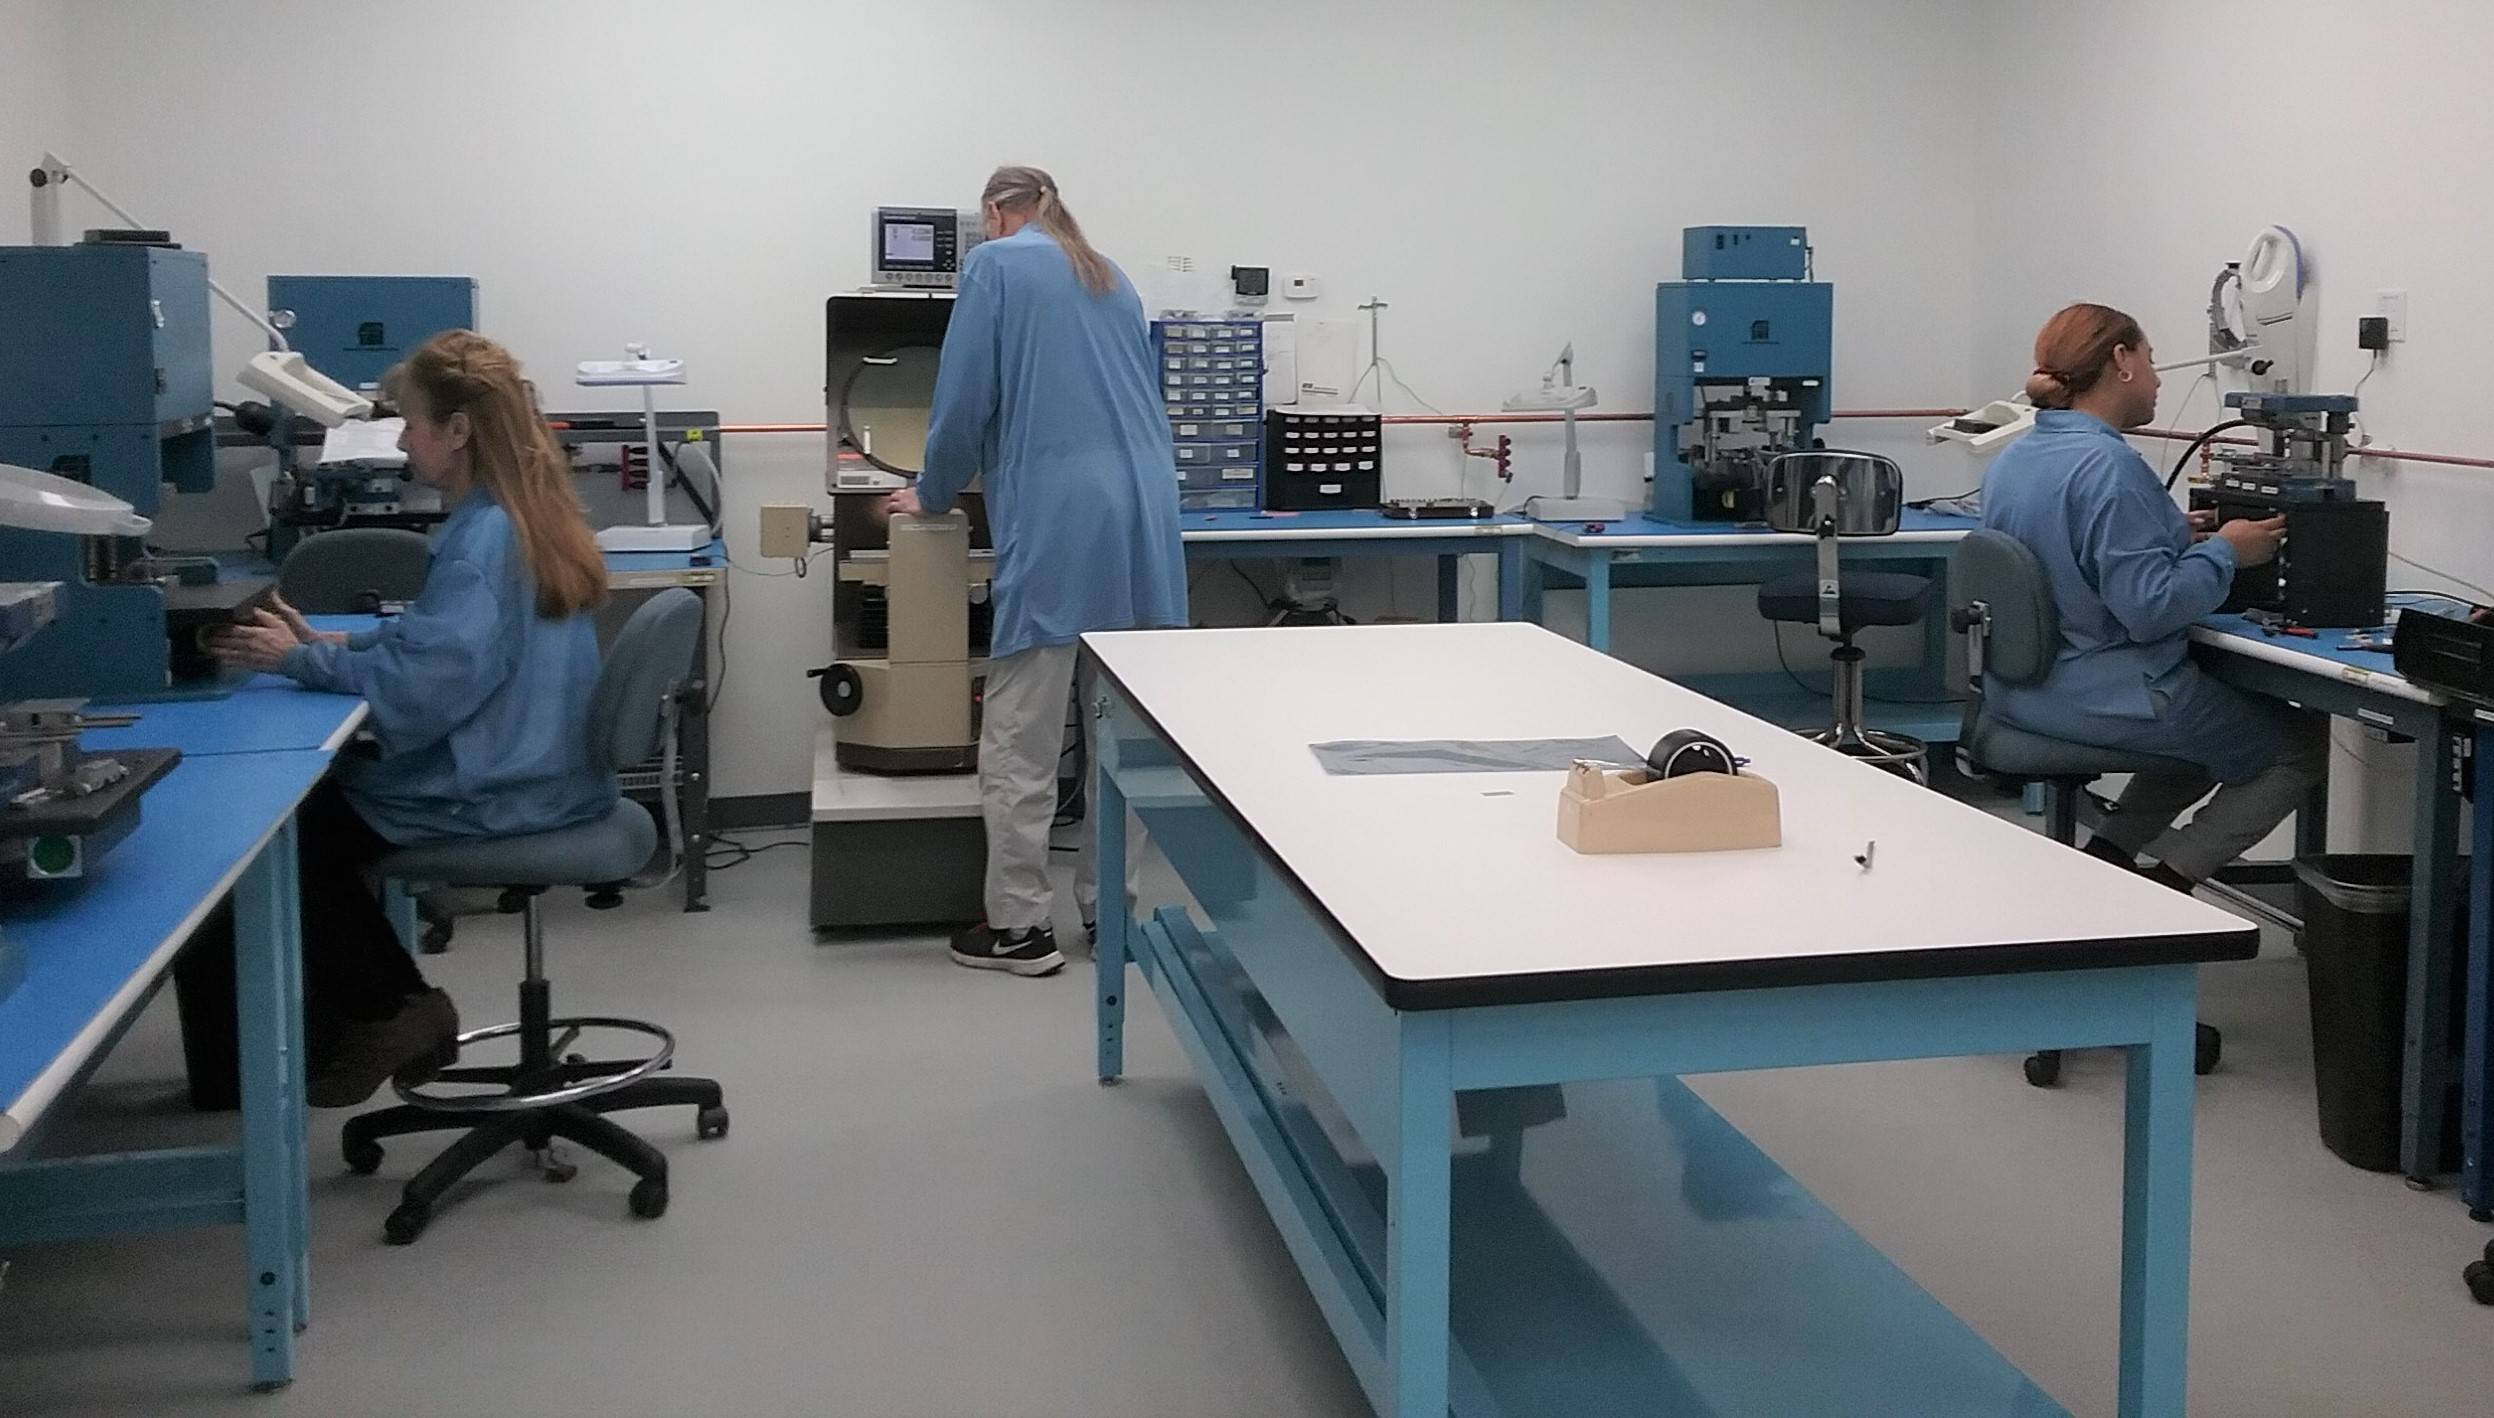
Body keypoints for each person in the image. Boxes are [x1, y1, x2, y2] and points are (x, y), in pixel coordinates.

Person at [203, 329, 616, 1104]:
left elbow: (422, 691)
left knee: (277, 831)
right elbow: (451, 642)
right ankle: (394, 1004)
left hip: (499, 788)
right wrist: (340, 640)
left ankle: (391, 1010)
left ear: (456, 432)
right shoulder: (526, 513)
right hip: (547, 769)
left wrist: (298, 660)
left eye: (412, 420)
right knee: (317, 812)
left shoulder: (481, 538)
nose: (399, 436)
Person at [889, 165, 1186, 977]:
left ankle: (1020, 928)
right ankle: (1110, 919)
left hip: (1062, 519)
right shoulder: (1110, 274)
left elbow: (960, 401)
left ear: (995, 212)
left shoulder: (995, 264)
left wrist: (932, 491)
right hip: (1148, 519)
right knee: (1125, 736)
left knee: (1021, 735)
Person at [1980, 302, 2326, 890]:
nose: (2158, 378)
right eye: (2152, 360)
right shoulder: (2110, 467)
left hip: (2023, 690)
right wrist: (2226, 552)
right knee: (2299, 747)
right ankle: (2169, 886)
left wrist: (2168, 533)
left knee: (2214, 733)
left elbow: (2073, 549)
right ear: (2121, 361)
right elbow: (2150, 611)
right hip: (2105, 692)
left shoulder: (2017, 457)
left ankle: (2110, 860)